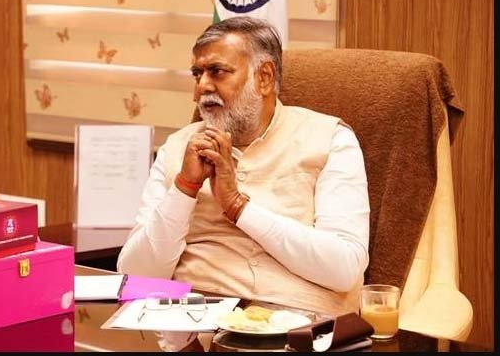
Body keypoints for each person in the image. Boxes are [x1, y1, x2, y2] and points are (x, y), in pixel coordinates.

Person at [117, 16, 370, 317]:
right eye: (197, 74)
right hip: (190, 321)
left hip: (293, 324)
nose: (201, 89)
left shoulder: (330, 140)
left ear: (264, 77)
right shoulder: (178, 147)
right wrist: (184, 188)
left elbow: (345, 269)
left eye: (217, 72)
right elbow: (136, 275)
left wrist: (238, 206)